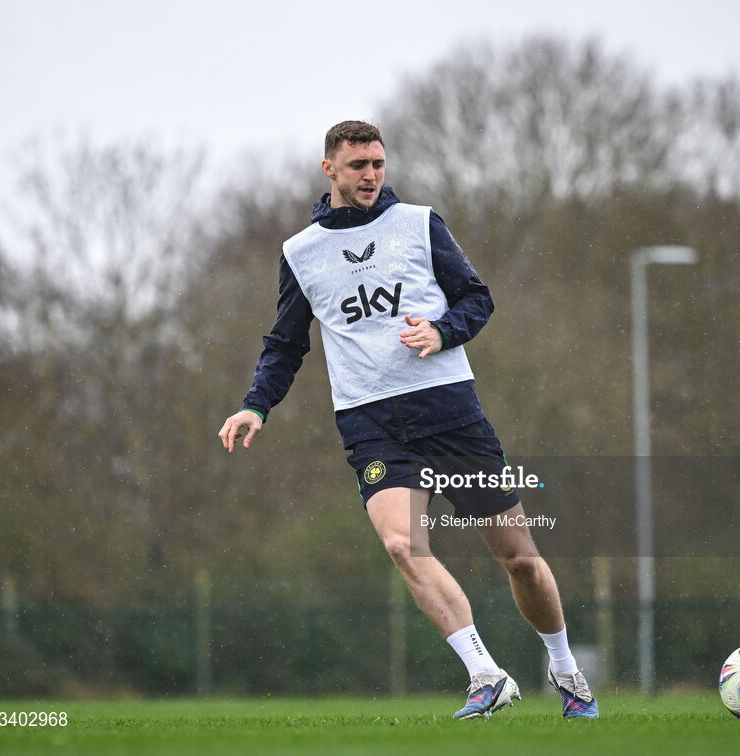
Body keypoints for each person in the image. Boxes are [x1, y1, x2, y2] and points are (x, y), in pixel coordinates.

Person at [218, 120, 599, 720]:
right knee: (402, 543)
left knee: (519, 557)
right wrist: (255, 404)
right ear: (330, 170)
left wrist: (442, 330)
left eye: (378, 163)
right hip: (370, 422)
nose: (371, 175)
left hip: (449, 409)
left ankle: (565, 669)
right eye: (358, 165)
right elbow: (285, 344)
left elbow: (477, 297)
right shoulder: (300, 252)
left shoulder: (420, 224)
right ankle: (485, 674)